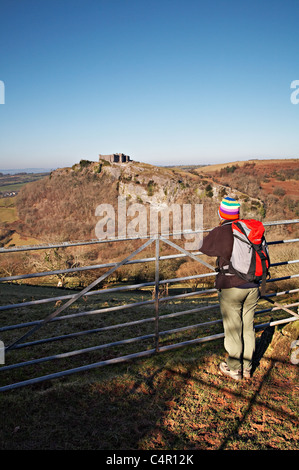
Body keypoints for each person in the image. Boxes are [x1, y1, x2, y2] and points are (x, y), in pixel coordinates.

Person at [199, 196, 259, 380]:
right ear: (238, 213)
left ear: (222, 213)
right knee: (248, 327)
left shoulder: (222, 231)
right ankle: (247, 368)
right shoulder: (248, 227)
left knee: (233, 328)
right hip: (254, 285)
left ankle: (234, 368)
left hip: (232, 286)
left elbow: (204, 247)